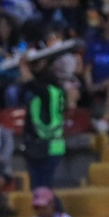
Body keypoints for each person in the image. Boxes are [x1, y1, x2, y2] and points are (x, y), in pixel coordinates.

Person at [20, 55, 66, 190]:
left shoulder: (45, 92)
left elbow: (29, 82)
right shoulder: (57, 92)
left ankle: (57, 211)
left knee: (42, 189)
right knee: (43, 188)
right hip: (53, 144)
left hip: (43, 144)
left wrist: (23, 65)